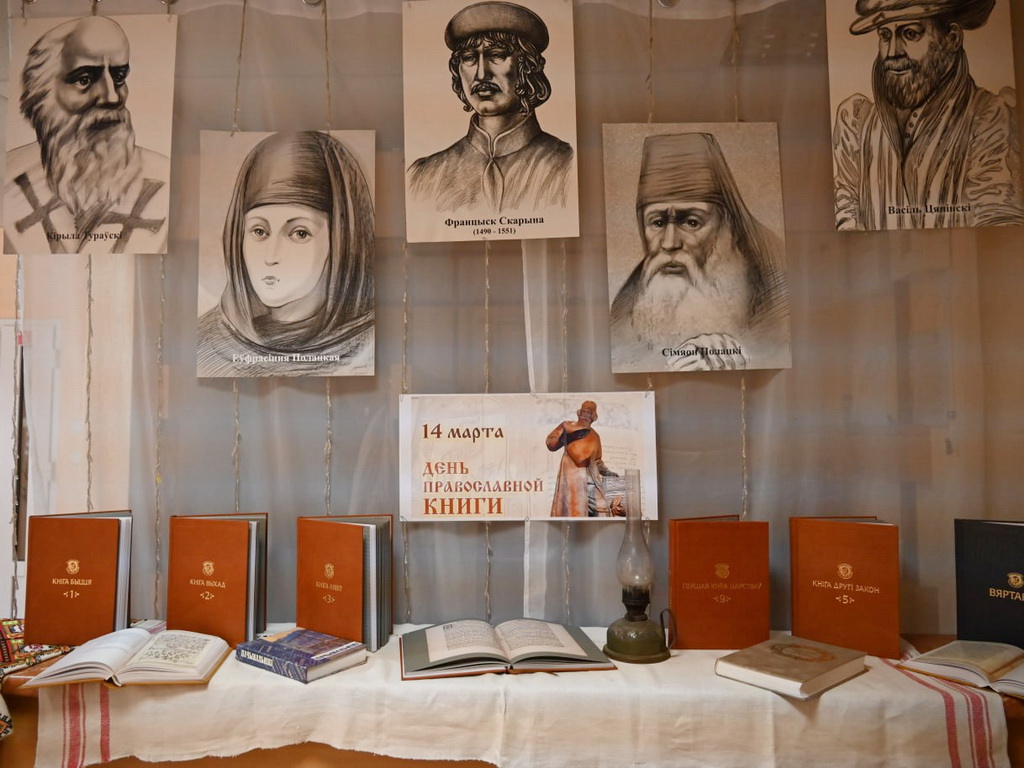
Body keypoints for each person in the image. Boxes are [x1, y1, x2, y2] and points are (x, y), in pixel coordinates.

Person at [832, 0, 1024, 230]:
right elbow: (845, 217)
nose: (892, 52)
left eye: (910, 34)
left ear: (952, 39)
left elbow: (999, 218)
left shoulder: (990, 116)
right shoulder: (856, 123)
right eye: (885, 35)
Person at [197, 131, 375, 377]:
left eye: (300, 233)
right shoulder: (204, 343)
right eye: (259, 231)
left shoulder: (371, 347)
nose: (271, 257)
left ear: (342, 241)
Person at [610, 132, 789, 372]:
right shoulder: (627, 305)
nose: (669, 243)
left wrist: (736, 359)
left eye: (691, 222)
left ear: (727, 224)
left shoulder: (777, 281)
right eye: (657, 223)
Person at [4, 16, 170, 254]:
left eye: (119, 77)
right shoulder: (8, 174)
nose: (112, 97)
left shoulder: (164, 175)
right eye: (85, 79)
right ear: (43, 91)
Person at [407, 1, 573, 213]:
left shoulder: (567, 164)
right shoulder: (424, 175)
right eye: (469, 58)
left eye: (496, 55)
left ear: (527, 66)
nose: (481, 74)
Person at [545, 400, 618, 518]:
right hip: (573, 480)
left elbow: (597, 460)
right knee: (574, 511)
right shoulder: (567, 426)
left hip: (591, 480)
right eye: (584, 412)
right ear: (579, 413)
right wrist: (566, 438)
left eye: (589, 413)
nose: (585, 415)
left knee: (602, 510)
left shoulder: (595, 436)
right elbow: (550, 443)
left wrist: (607, 472)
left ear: (593, 417)